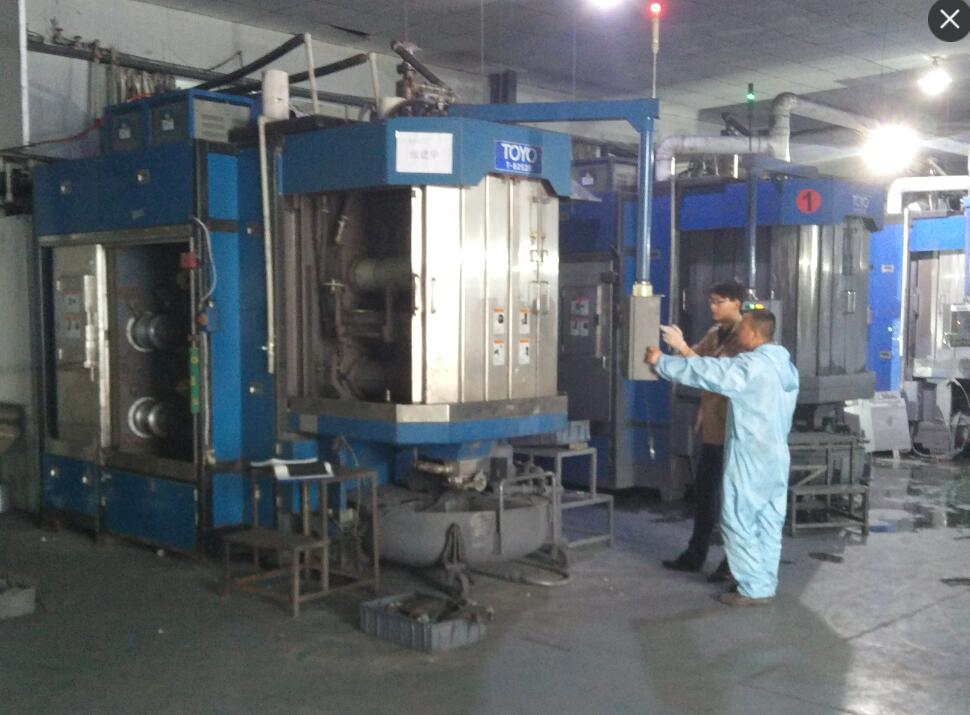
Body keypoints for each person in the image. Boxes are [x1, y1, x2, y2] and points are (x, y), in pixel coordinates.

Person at [646, 310, 798, 606]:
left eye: (743, 328)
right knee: (768, 520)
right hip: (776, 454)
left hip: (750, 454)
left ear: (755, 333)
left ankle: (752, 589)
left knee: (739, 519)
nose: (738, 332)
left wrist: (662, 362)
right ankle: (764, 583)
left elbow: (709, 373)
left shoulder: (751, 367)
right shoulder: (786, 367)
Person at [659, 280, 745, 582]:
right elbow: (694, 364)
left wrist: (683, 348)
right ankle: (695, 555)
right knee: (706, 496)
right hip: (712, 430)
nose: (713, 307)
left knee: (734, 502)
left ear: (736, 303)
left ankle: (734, 563)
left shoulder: (745, 338)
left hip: (736, 434)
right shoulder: (713, 334)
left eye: (719, 301)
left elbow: (716, 374)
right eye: (711, 301)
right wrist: (669, 355)